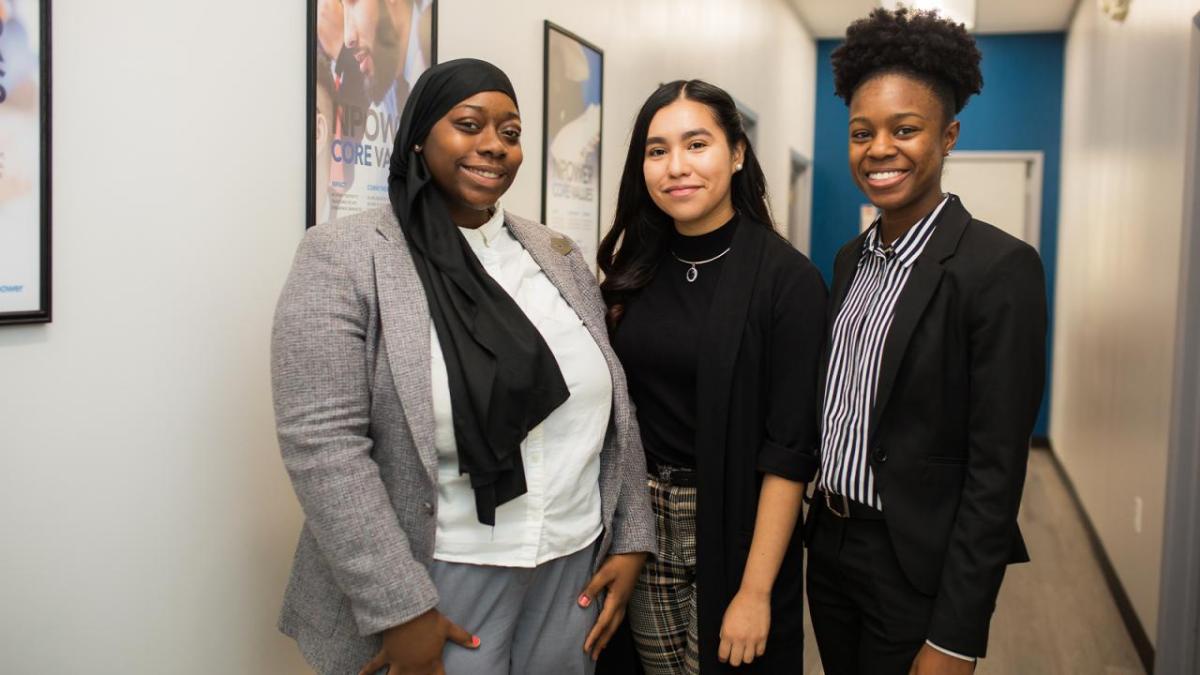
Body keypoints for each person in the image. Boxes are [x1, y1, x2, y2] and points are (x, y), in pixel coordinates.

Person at [272, 58, 656, 675]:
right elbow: (322, 445)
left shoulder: (555, 254)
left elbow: (616, 401)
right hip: (438, 571)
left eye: (510, 133)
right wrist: (400, 609)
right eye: (469, 124)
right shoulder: (345, 256)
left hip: (571, 562)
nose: (494, 147)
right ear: (422, 135)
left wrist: (633, 533)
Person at [804, 8, 1047, 675]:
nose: (879, 149)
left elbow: (996, 472)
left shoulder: (999, 268)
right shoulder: (850, 259)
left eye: (904, 129)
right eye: (862, 133)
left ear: (948, 137)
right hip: (828, 548)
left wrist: (956, 636)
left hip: (912, 562)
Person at [598, 80, 828, 674]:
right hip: (641, 521)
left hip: (736, 521)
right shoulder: (633, 272)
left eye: (696, 144)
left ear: (737, 153)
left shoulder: (787, 281)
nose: (676, 167)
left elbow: (789, 454)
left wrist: (754, 593)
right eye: (657, 150)